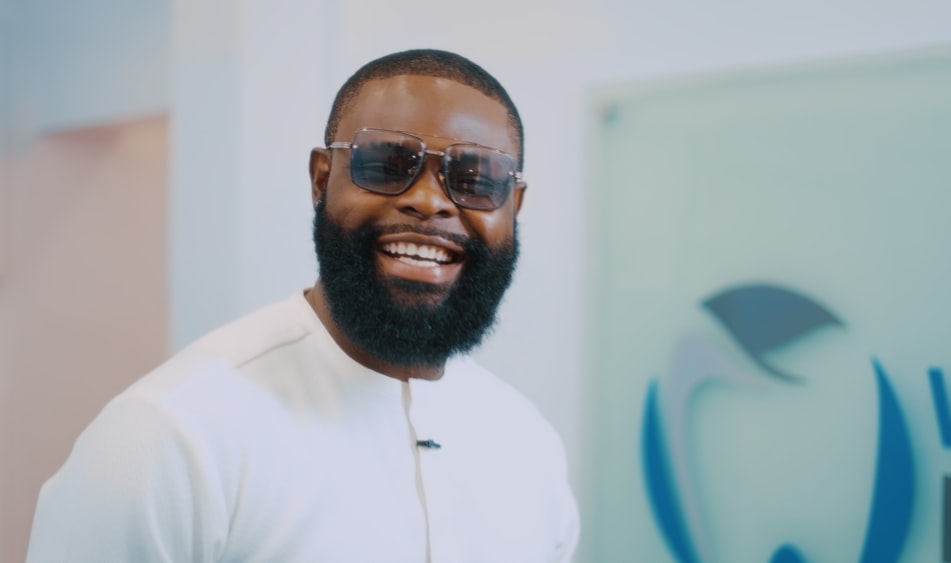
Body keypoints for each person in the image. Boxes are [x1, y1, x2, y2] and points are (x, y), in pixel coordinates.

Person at [26, 49, 579, 562]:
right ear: (322, 179)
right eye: (387, 164)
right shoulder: (171, 437)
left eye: (476, 178)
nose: (430, 201)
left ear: (514, 206)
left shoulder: (528, 447)